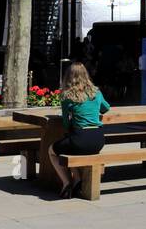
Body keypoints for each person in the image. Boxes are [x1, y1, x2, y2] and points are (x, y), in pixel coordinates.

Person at [46, 62, 110, 198]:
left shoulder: (67, 96)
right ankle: (77, 180)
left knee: (52, 151)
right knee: (69, 148)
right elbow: (106, 108)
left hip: (80, 139)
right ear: (85, 75)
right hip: (98, 139)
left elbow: (65, 122)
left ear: (68, 77)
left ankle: (66, 182)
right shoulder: (96, 92)